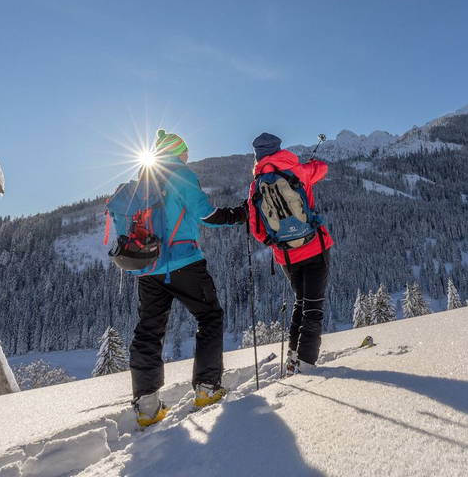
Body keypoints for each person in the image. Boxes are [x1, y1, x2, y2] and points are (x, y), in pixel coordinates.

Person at [115, 129, 246, 428]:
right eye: (185, 152)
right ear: (178, 152)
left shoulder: (142, 183)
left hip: (148, 267)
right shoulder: (181, 174)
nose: (188, 157)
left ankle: (147, 407)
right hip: (184, 262)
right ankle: (207, 388)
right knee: (210, 317)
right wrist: (238, 215)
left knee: (149, 330)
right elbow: (206, 213)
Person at [245, 132, 333, 375]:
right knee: (313, 308)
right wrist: (305, 165)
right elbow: (323, 168)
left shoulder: (256, 186)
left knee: (300, 303)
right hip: (315, 247)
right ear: (278, 148)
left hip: (287, 257)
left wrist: (279, 243)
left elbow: (257, 230)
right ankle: (306, 366)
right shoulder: (298, 170)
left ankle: (294, 357)